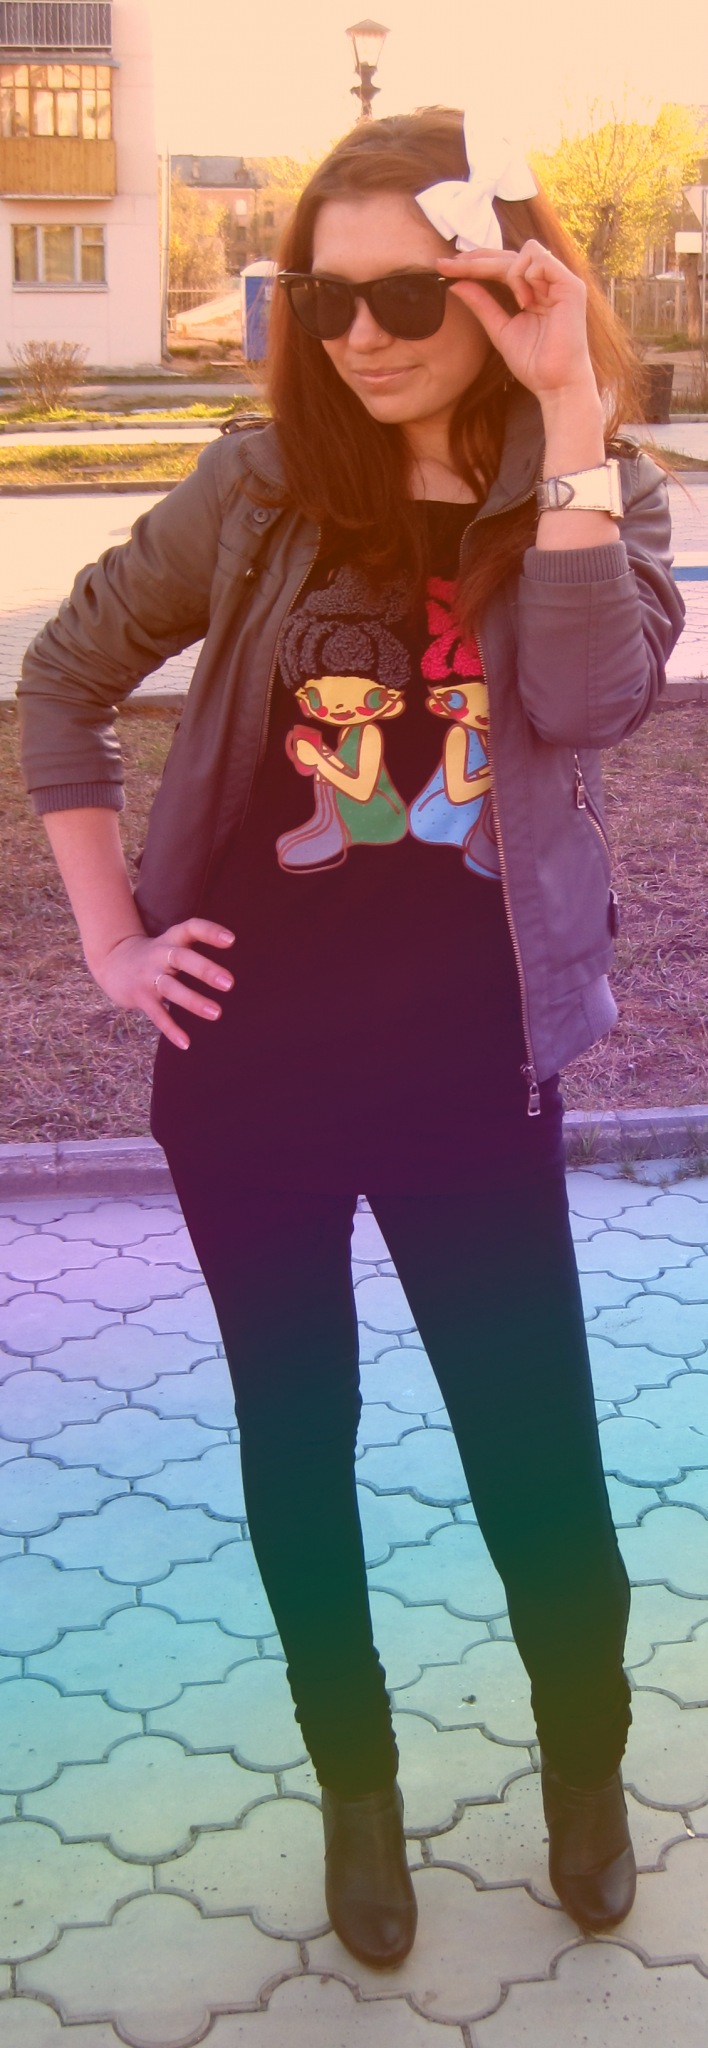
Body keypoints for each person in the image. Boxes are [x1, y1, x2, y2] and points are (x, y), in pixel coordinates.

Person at [18, 106, 685, 1971]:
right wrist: (113, 941)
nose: (365, 334)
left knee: (535, 1450)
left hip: (473, 1071)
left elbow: (588, 696)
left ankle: (584, 1766)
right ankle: (359, 1792)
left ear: (508, 284)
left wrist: (566, 414)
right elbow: (65, 678)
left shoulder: (599, 490)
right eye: (327, 296)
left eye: (412, 292)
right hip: (248, 1070)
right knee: (297, 1439)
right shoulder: (258, 486)